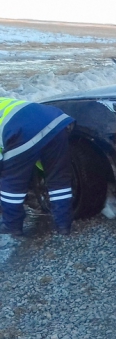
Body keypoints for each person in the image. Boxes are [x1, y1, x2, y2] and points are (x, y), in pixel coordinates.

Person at [0, 98, 74, 236]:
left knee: (11, 183)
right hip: (55, 121)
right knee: (59, 179)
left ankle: (12, 226)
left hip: (20, 130)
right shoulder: (4, 102)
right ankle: (64, 225)